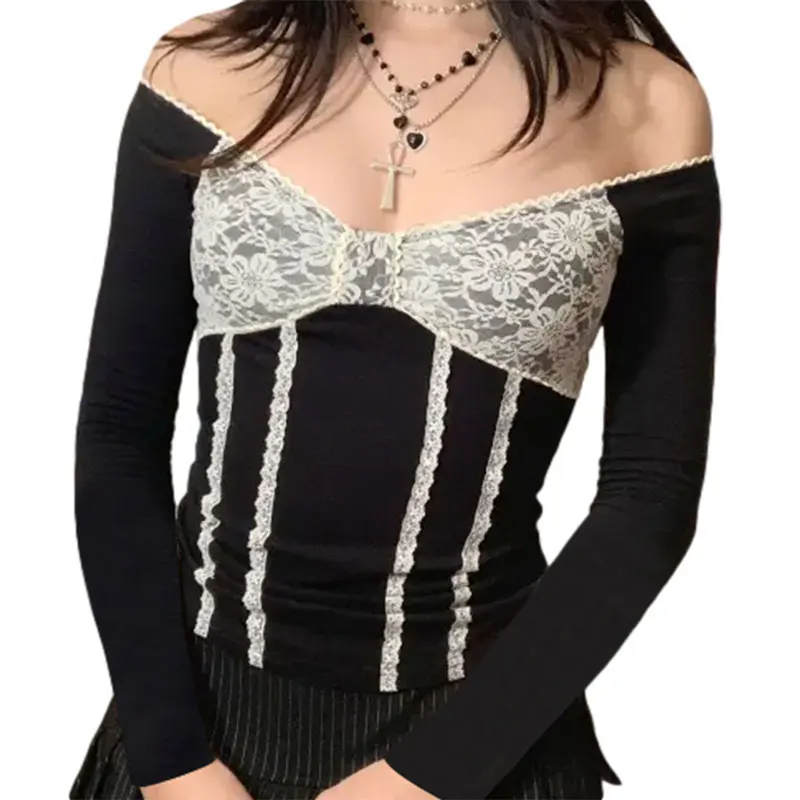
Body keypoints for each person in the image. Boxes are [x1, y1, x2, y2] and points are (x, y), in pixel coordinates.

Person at [68, 1, 720, 798]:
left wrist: (437, 775)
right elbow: (119, 430)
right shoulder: (205, 65)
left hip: (486, 741)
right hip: (194, 721)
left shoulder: (644, 105)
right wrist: (170, 758)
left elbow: (649, 496)